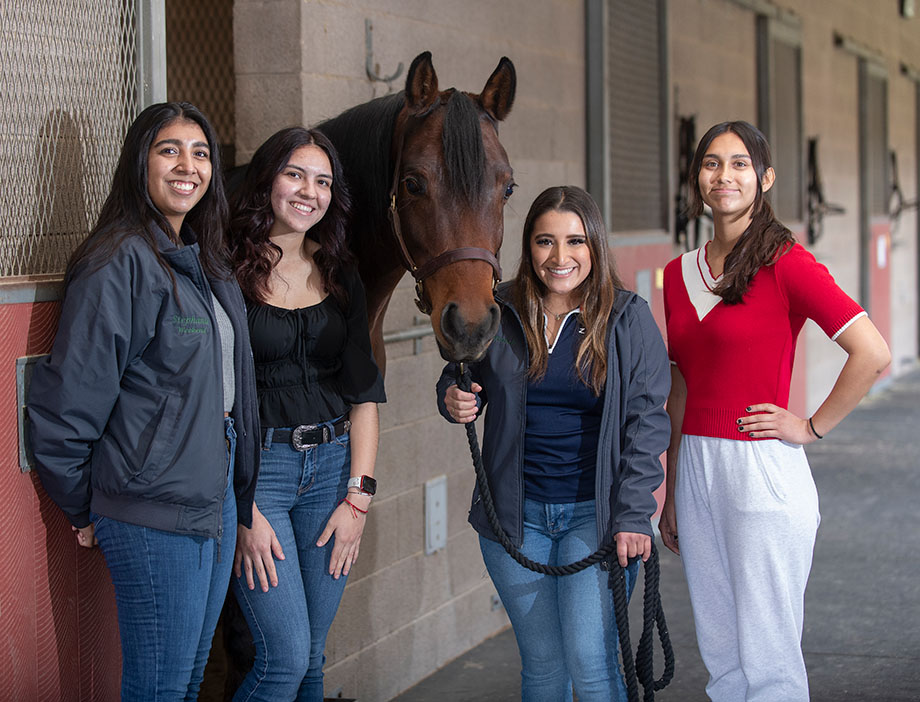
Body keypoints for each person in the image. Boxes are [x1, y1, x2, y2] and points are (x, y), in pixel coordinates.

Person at [28, 101, 261, 700]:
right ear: (140, 163)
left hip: (210, 506)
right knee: (158, 689)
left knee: (186, 684)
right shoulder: (119, 260)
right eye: (170, 150)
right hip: (153, 513)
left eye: (201, 153)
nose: (189, 165)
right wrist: (86, 505)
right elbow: (67, 404)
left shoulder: (204, 259)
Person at [659, 120, 891, 701]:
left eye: (740, 164)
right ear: (698, 179)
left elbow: (872, 351)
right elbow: (681, 382)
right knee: (722, 653)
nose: (724, 175)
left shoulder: (786, 262)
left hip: (761, 467)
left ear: (764, 179)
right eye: (711, 163)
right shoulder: (677, 273)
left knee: (768, 657)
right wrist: (672, 484)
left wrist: (810, 426)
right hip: (698, 468)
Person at [437, 185, 671, 701]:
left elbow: (647, 423)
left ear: (596, 246)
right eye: (546, 241)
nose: (560, 257)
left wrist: (634, 514)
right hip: (515, 521)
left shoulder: (627, 319)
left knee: (591, 661)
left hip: (597, 516)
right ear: (529, 245)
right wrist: (452, 395)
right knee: (542, 666)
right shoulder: (499, 310)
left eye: (575, 242)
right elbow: (459, 373)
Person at [227, 126, 385, 701]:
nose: (307, 191)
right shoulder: (225, 272)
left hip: (332, 473)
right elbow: (209, 401)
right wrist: (240, 506)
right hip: (259, 473)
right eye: (295, 174)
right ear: (268, 179)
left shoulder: (341, 272)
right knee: (284, 658)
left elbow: (364, 392)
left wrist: (358, 498)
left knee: (312, 659)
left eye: (322, 181)